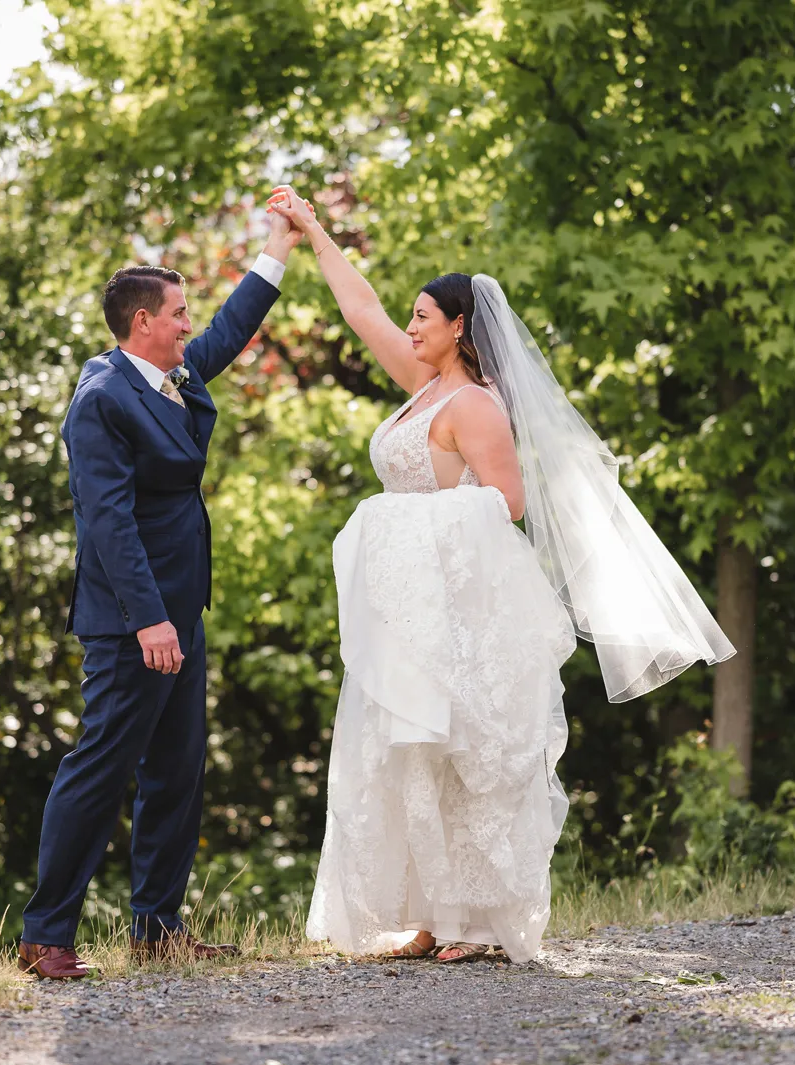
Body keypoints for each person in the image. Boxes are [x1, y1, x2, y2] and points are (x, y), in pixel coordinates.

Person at [266, 187, 736, 964]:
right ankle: (429, 914)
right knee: (411, 753)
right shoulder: (424, 389)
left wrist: (403, 520)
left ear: (459, 328)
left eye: (423, 316)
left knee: (468, 754)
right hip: (414, 608)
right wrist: (313, 231)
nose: (410, 325)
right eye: (411, 316)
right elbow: (362, 313)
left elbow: (508, 502)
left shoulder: (476, 406)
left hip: (464, 605)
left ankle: (480, 924)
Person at [15, 192, 307, 979]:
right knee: (103, 765)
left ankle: (157, 926)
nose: (189, 323)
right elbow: (107, 524)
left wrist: (278, 243)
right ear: (143, 321)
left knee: (178, 765)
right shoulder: (102, 397)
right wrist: (148, 620)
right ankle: (46, 933)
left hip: (182, 609)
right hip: (131, 622)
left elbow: (229, 331)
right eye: (178, 311)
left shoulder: (168, 374)